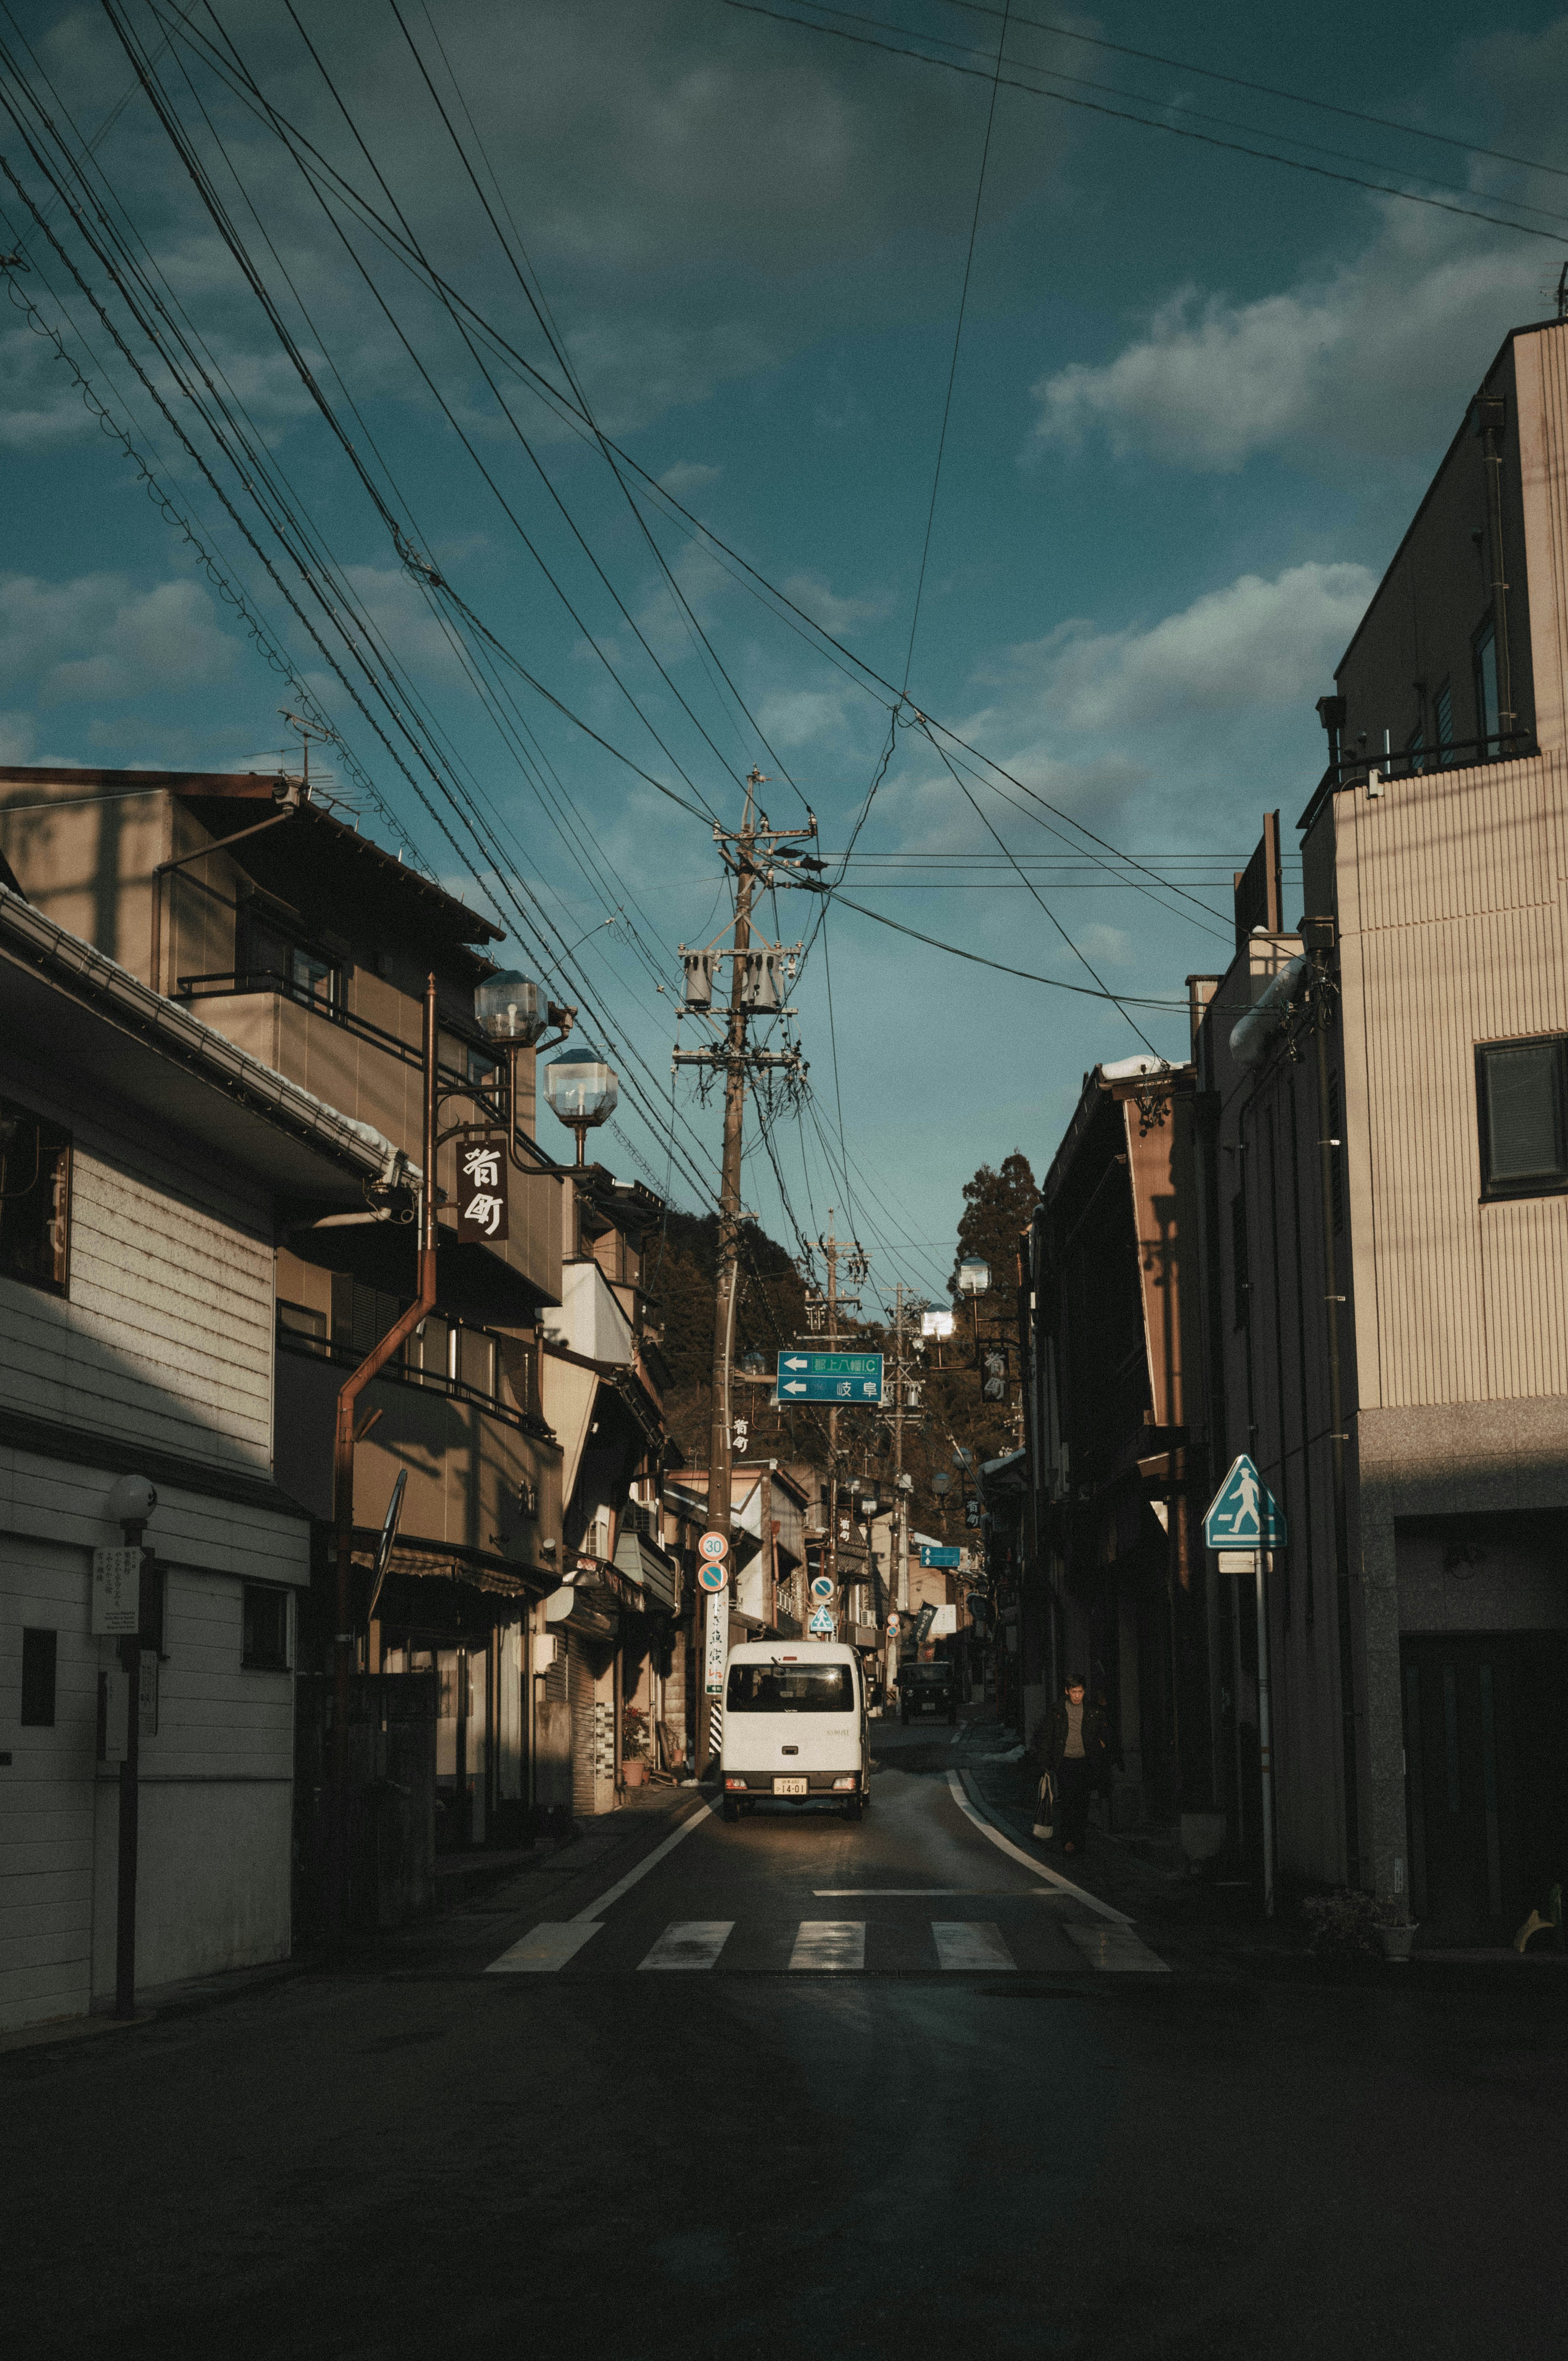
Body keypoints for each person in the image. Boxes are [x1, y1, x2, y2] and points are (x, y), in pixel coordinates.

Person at [1043, 1675, 1109, 1856]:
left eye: (1080, 1692)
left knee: (1082, 1803)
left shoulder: (1091, 1710)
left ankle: (1079, 1840)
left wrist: (1101, 1744)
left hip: (1085, 1761)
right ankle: (1068, 1840)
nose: (1077, 1696)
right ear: (1067, 1692)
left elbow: (1102, 1730)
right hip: (1065, 1762)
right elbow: (1049, 1735)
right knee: (1068, 1802)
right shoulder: (1058, 1710)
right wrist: (1046, 1762)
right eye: (1074, 1692)